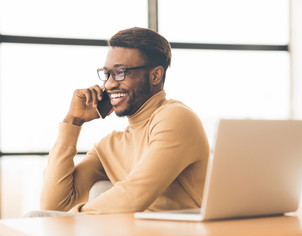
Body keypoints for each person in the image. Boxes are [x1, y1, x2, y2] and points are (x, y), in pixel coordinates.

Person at [37, 27, 210, 215]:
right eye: (107, 74)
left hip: (184, 234)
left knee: (35, 219)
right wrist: (72, 121)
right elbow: (54, 206)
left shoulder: (176, 117)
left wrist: (73, 217)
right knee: (37, 217)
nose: (109, 84)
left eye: (121, 72)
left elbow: (134, 193)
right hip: (135, 234)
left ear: (155, 75)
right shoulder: (110, 146)